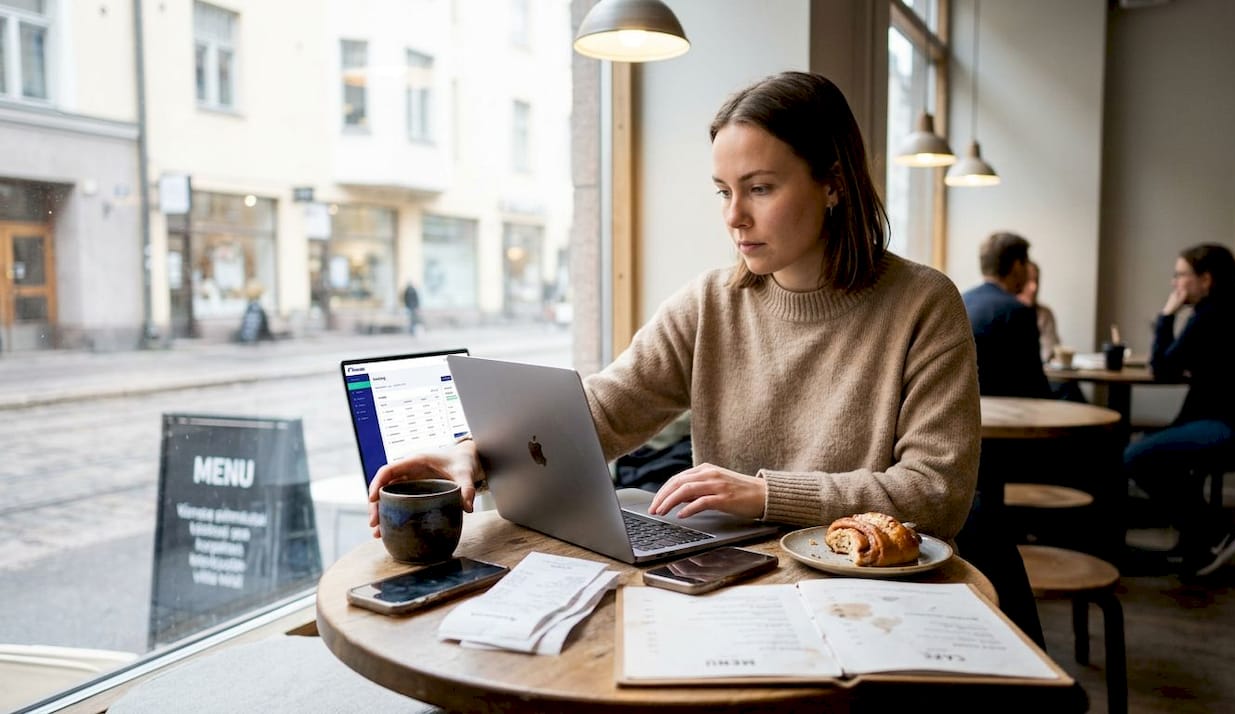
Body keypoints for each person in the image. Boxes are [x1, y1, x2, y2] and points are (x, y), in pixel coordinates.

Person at [368, 71, 980, 545]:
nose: (733, 216)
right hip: (733, 579)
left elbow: (936, 493)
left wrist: (766, 496)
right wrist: (473, 453)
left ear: (834, 183)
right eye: (724, 191)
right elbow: (605, 409)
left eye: (760, 189)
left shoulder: (923, 305)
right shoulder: (712, 302)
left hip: (865, 586)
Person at [1125, 243, 1235, 577]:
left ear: (1205, 280)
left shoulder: (1213, 314)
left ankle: (1218, 532)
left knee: (1137, 456)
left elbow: (1163, 368)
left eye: (1181, 275)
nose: (1175, 283)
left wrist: (1167, 315)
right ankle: (1196, 544)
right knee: (1164, 448)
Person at [962, 233, 1051, 398]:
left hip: (966, 409)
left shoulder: (960, 301)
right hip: (1008, 414)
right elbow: (1035, 383)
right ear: (1017, 266)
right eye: (1026, 264)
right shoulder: (1019, 311)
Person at [1018, 261, 1085, 403]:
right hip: (1018, 383)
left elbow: (1050, 352)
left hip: (1044, 377)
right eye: (1029, 281)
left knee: (1069, 388)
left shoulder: (1044, 314)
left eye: (1036, 281)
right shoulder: (1006, 312)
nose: (1034, 287)